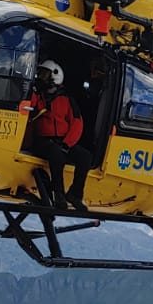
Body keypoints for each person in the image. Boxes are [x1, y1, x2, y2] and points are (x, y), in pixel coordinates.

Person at [24, 60, 91, 210]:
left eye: (44, 75)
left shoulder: (66, 100)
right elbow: (29, 105)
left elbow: (77, 123)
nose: (41, 77)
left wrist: (67, 144)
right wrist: (34, 90)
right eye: (40, 74)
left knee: (85, 157)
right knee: (56, 154)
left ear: (55, 76)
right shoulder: (39, 97)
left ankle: (75, 193)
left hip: (63, 142)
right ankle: (58, 193)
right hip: (42, 141)